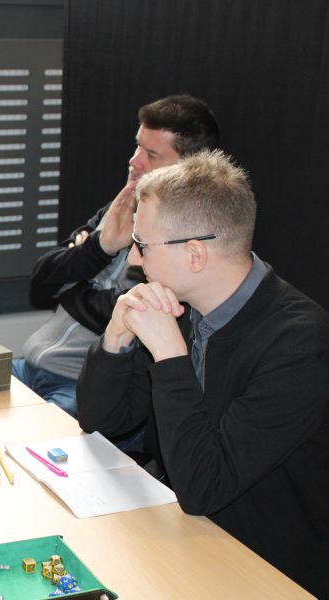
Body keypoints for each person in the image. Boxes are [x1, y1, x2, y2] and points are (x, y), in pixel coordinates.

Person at [76, 151, 329, 596]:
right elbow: (102, 423)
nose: (133, 259)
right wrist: (115, 338)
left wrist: (171, 357)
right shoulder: (183, 306)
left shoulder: (299, 347)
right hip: (183, 532)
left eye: (143, 245)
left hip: (265, 567)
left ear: (195, 254)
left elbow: (205, 487)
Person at [12, 95, 219, 420]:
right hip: (30, 365)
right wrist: (100, 247)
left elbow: (124, 311)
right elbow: (40, 284)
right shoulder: (118, 209)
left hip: (78, 388)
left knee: (15, 443)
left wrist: (74, 279)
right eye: (137, 146)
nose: (135, 161)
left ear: (187, 170)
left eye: (151, 154)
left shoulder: (184, 243)